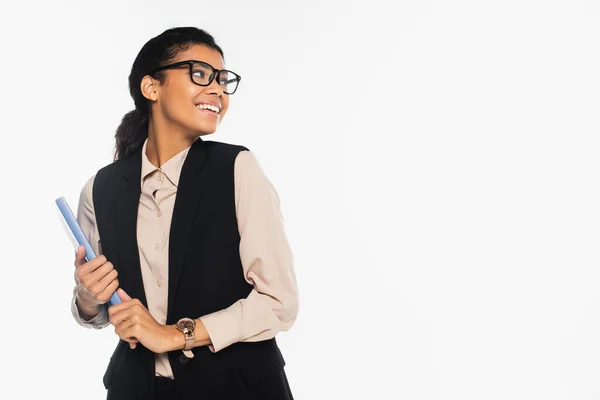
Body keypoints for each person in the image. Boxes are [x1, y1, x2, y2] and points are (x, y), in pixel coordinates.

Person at [70, 26, 299, 400]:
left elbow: (279, 302)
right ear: (152, 87)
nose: (218, 91)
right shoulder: (100, 189)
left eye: (223, 80)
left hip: (238, 388)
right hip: (137, 389)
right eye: (200, 74)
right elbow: (93, 312)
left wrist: (174, 335)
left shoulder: (236, 168)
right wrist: (88, 296)